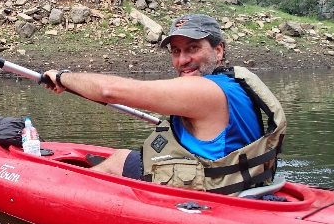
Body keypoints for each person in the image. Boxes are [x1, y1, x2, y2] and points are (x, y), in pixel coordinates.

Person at [44, 13, 286, 195]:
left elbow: (108, 91)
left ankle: (60, 198)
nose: (183, 60)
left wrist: (63, 76)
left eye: (193, 48)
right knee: (125, 158)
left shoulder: (205, 90)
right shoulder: (232, 84)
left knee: (118, 162)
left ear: (218, 50)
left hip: (215, 197)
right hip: (240, 184)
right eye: (176, 51)